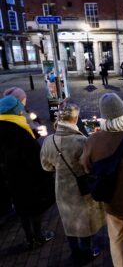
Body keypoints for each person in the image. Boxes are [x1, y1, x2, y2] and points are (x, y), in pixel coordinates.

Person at [81, 93, 123, 267]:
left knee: (116, 241)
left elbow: (87, 166)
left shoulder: (93, 140)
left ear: (104, 118)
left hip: (112, 202)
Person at [40, 101, 104, 265]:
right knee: (85, 221)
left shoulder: (49, 141)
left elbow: (46, 166)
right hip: (82, 189)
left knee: (69, 221)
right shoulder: (82, 141)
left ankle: (75, 252)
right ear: (75, 120)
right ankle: (86, 252)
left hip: (62, 189)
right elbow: (91, 167)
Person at [0, 95, 55, 249]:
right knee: (35, 209)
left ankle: (29, 238)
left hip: (11, 180)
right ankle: (38, 237)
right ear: (14, 110)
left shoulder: (4, 126)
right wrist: (47, 175)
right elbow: (35, 160)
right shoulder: (18, 131)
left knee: (22, 209)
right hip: (28, 179)